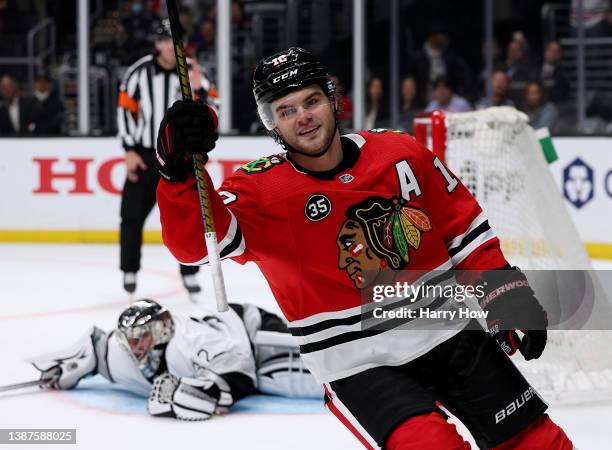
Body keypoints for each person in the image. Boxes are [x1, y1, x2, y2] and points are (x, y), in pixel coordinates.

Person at [154, 47, 572, 448]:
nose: (304, 117)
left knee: (538, 444)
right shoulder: (258, 190)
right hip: (358, 362)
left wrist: (504, 295)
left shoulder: (399, 152)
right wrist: (178, 173)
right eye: (287, 110)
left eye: (311, 100)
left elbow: (464, 233)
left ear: (333, 101)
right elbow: (193, 246)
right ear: (272, 124)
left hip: (449, 333)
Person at [29, 299, 321, 420]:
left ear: (162, 327)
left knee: (307, 373)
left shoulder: (193, 342)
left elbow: (241, 376)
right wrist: (65, 366)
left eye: (143, 335)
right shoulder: (122, 350)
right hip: (226, 343)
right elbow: (93, 347)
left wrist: (205, 393)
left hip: (251, 330)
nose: (135, 345)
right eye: (129, 337)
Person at [116, 19, 219, 298]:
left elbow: (212, 111)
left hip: (181, 159)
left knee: (187, 217)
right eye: (163, 40)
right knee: (131, 216)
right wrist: (129, 150)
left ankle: (190, 271)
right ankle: (129, 270)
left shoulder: (196, 73)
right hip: (146, 156)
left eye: (173, 40)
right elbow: (125, 111)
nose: (168, 47)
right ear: (156, 44)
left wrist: (197, 89)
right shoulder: (138, 73)